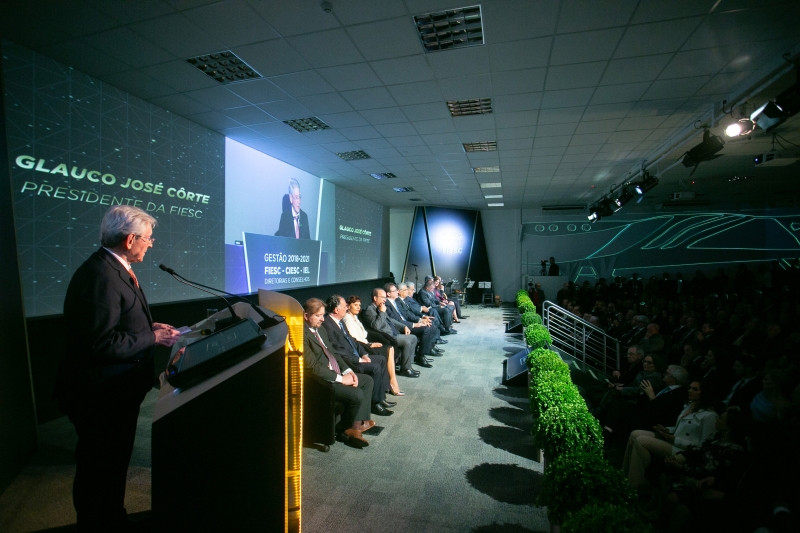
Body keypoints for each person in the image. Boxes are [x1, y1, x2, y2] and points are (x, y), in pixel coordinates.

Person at [54, 205, 182, 531]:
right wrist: (151, 337)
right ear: (130, 239)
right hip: (101, 396)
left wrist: (150, 329)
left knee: (111, 465)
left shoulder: (114, 267)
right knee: (100, 467)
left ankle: (110, 517)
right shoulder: (101, 276)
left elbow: (121, 322)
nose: (150, 244)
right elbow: (100, 343)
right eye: (148, 239)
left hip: (116, 392)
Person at [302, 298, 374, 448]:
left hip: (335, 371)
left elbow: (333, 352)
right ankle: (345, 430)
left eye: (323, 315)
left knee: (366, 380)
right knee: (357, 394)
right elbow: (313, 367)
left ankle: (354, 427)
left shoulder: (320, 329)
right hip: (322, 381)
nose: (322, 319)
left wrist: (348, 371)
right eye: (318, 316)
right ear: (306, 316)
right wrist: (342, 379)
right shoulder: (301, 335)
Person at [622, 381, 719, 488]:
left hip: (685, 451)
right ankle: (624, 475)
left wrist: (674, 439)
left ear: (704, 393)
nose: (690, 391)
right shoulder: (689, 406)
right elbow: (681, 428)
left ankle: (636, 484)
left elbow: (704, 447)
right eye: (690, 388)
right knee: (635, 434)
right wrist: (667, 430)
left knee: (641, 441)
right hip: (673, 440)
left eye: (695, 389)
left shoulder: (710, 415)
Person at [321, 295, 395, 416]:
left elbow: (353, 340)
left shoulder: (339, 321)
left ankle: (380, 398)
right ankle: (375, 404)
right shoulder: (328, 325)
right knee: (375, 367)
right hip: (348, 361)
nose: (347, 308)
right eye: (345, 306)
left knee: (381, 359)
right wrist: (358, 359)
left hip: (356, 356)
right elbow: (336, 349)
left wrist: (364, 354)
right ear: (336, 310)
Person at [342, 295, 404, 396]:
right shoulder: (348, 319)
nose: (358, 307)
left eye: (359, 305)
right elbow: (355, 340)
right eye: (355, 305)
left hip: (365, 344)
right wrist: (370, 344)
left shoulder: (355, 317)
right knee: (388, 349)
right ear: (348, 306)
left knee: (390, 348)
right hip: (362, 347)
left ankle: (390, 384)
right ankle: (393, 384)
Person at [363, 288, 420, 378]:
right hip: (387, 336)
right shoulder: (369, 311)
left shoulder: (380, 307)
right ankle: (405, 369)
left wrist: (404, 326)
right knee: (407, 341)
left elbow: (391, 320)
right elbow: (376, 326)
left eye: (385, 297)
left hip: (393, 332)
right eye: (382, 297)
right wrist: (382, 312)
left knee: (413, 337)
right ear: (375, 298)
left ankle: (408, 365)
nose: (384, 300)